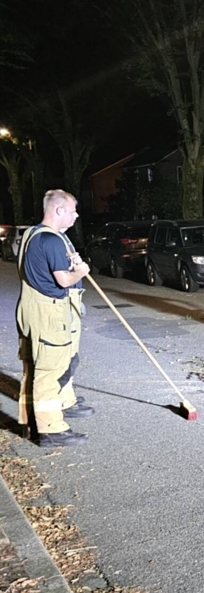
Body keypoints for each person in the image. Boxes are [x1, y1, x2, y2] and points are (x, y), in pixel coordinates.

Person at [16, 190, 94, 448]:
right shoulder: (49, 240)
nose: (76, 215)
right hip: (49, 313)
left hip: (43, 309)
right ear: (58, 210)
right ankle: (51, 429)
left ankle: (63, 402)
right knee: (50, 370)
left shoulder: (34, 233)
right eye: (72, 210)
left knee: (65, 359)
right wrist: (81, 271)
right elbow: (62, 280)